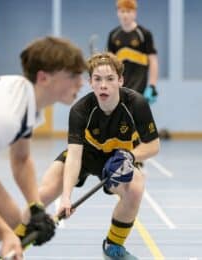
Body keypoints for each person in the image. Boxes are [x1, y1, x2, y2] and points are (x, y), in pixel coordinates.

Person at [0, 36, 87, 260]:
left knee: (11, 217)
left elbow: (21, 159)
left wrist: (36, 207)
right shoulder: (6, 115)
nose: (81, 83)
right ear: (43, 77)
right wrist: (5, 234)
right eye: (72, 76)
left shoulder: (26, 100)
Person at [39, 52, 160, 259]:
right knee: (44, 192)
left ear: (120, 80)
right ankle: (13, 241)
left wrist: (130, 156)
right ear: (90, 82)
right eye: (98, 79)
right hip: (86, 156)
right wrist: (66, 198)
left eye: (110, 79)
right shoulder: (80, 110)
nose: (103, 85)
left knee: (136, 188)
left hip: (117, 160)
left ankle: (113, 245)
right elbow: (75, 157)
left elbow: (153, 146)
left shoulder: (136, 104)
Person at [107, 0, 159, 104]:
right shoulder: (113, 35)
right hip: (119, 92)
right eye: (122, 11)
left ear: (134, 13)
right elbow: (109, 65)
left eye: (128, 11)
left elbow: (153, 61)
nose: (125, 15)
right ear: (118, 13)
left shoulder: (144, 34)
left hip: (140, 91)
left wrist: (152, 86)